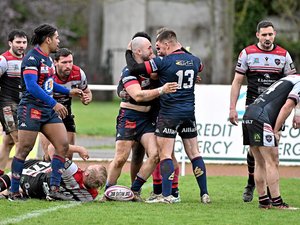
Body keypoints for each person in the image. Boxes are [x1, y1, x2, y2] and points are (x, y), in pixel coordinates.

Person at [125, 29, 210, 204]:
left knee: (165, 155)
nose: (158, 52)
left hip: (169, 114)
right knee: (195, 153)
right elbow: (197, 66)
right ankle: (204, 194)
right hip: (189, 114)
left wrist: (128, 51)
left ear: (167, 44)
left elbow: (135, 68)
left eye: (159, 47)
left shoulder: (163, 62)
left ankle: (166, 195)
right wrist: (181, 49)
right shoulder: (194, 60)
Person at [8, 24, 83, 201]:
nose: (58, 41)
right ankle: (13, 191)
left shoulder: (48, 59)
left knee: (62, 145)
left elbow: (48, 83)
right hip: (31, 109)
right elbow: (32, 86)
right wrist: (54, 103)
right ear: (48, 39)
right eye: (56, 37)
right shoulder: (31, 59)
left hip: (46, 110)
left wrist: (67, 91)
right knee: (24, 149)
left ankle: (54, 189)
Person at [229, 20, 297, 202]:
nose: (268, 38)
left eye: (271, 34)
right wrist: (232, 108)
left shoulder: (283, 55)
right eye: (264, 34)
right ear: (257, 35)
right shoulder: (247, 53)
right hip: (253, 108)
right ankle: (252, 183)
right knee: (256, 153)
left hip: (274, 111)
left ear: (275, 34)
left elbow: (294, 84)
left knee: (272, 151)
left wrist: (296, 111)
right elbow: (237, 82)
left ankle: (265, 193)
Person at [104, 36, 178, 201]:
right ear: (138, 51)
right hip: (129, 116)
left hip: (147, 118)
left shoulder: (153, 68)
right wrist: (161, 90)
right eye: (149, 48)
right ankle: (108, 192)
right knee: (121, 158)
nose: (153, 51)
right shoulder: (128, 71)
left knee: (155, 155)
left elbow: (172, 67)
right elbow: (137, 95)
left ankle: (134, 191)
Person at [242, 74, 300, 209]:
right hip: (261, 117)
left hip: (249, 113)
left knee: (260, 162)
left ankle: (263, 201)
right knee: (272, 161)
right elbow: (287, 107)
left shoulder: (290, 78)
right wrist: (275, 130)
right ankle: (278, 203)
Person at [40, 47, 92, 161]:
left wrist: (86, 99)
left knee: (68, 156)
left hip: (66, 113)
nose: (68, 65)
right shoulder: (48, 73)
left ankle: (65, 178)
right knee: (49, 154)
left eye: (70, 62)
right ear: (55, 63)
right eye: (64, 62)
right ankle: (46, 176)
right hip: (47, 113)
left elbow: (87, 91)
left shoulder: (78, 73)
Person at [0, 158, 107, 202]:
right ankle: (7, 193)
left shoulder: (73, 171)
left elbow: (53, 150)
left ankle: (6, 187)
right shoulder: (90, 196)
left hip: (36, 181)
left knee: (14, 174)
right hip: (39, 192)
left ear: (87, 173)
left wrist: (78, 149)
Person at [0, 30, 28, 176]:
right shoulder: (4, 60)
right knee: (20, 142)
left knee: (7, 142)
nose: (21, 45)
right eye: (18, 42)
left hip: (22, 106)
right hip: (7, 107)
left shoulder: (27, 60)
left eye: (24, 42)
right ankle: (18, 179)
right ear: (10, 43)